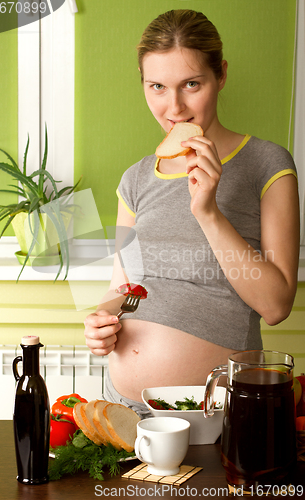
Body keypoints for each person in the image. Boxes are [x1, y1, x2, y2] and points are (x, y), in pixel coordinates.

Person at [84, 9, 300, 417]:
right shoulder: (135, 179)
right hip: (126, 408)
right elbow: (122, 289)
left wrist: (208, 212)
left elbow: (276, 306)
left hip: (214, 416)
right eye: (157, 87)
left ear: (220, 75)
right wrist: (101, 322)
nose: (174, 107)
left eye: (191, 84)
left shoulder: (265, 163)